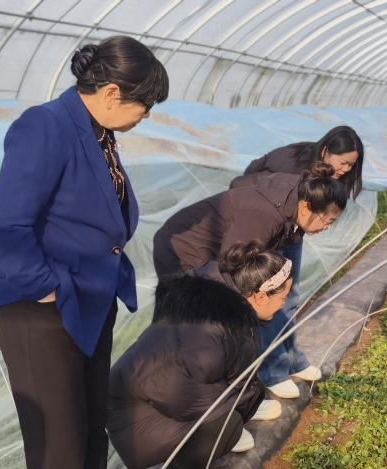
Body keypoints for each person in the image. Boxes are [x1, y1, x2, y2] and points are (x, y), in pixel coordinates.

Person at [0, 36, 167, 469]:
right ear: (112, 93)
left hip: (89, 300)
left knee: (90, 428)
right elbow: (7, 224)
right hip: (42, 310)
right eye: (145, 104)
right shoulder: (46, 126)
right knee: (58, 442)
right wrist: (45, 288)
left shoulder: (99, 133)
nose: (147, 115)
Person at [152, 163, 347, 399]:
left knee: (231, 319)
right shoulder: (264, 216)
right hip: (184, 251)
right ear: (307, 207)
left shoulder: (292, 206)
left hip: (219, 254)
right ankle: (224, 397)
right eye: (327, 220)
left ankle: (237, 393)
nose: (326, 227)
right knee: (207, 324)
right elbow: (232, 268)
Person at [107, 242, 293, 469]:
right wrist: (231, 407)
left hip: (148, 399)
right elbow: (169, 387)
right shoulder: (209, 329)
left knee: (232, 413)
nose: (283, 305)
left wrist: (245, 397)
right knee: (226, 427)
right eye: (282, 298)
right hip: (134, 418)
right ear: (261, 297)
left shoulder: (221, 308)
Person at [233, 126, 365, 399]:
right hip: (269, 228)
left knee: (289, 295)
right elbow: (246, 178)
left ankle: (293, 360)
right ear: (326, 151)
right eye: (343, 163)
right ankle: (272, 372)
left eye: (351, 166)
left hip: (293, 230)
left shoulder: (322, 174)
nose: (345, 170)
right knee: (271, 296)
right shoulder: (293, 167)